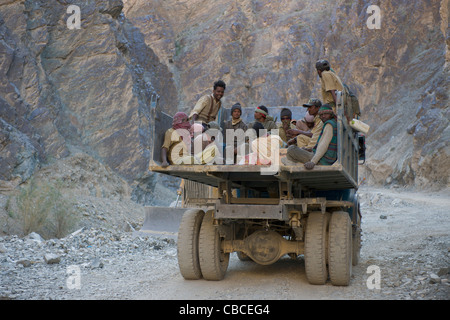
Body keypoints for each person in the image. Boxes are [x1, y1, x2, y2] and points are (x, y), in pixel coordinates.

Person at [283, 104, 338, 170]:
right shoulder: (331, 123)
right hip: (323, 158)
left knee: (291, 149)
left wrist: (313, 162)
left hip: (322, 160)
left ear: (331, 114)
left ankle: (297, 164)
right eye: (321, 115)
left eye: (326, 114)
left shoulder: (329, 125)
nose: (323, 116)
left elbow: (324, 145)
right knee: (292, 152)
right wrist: (310, 149)